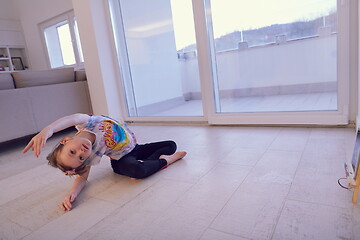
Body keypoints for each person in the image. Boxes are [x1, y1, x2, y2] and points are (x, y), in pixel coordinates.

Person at [22, 113, 186, 211]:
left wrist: (48, 129)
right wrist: (73, 193)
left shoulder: (87, 122)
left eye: (73, 151)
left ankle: (148, 162)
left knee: (171, 145)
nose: (81, 152)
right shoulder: (90, 155)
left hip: (135, 147)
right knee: (137, 170)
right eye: (80, 158)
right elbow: (82, 178)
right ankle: (165, 161)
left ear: (66, 140)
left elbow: (71, 118)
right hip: (122, 158)